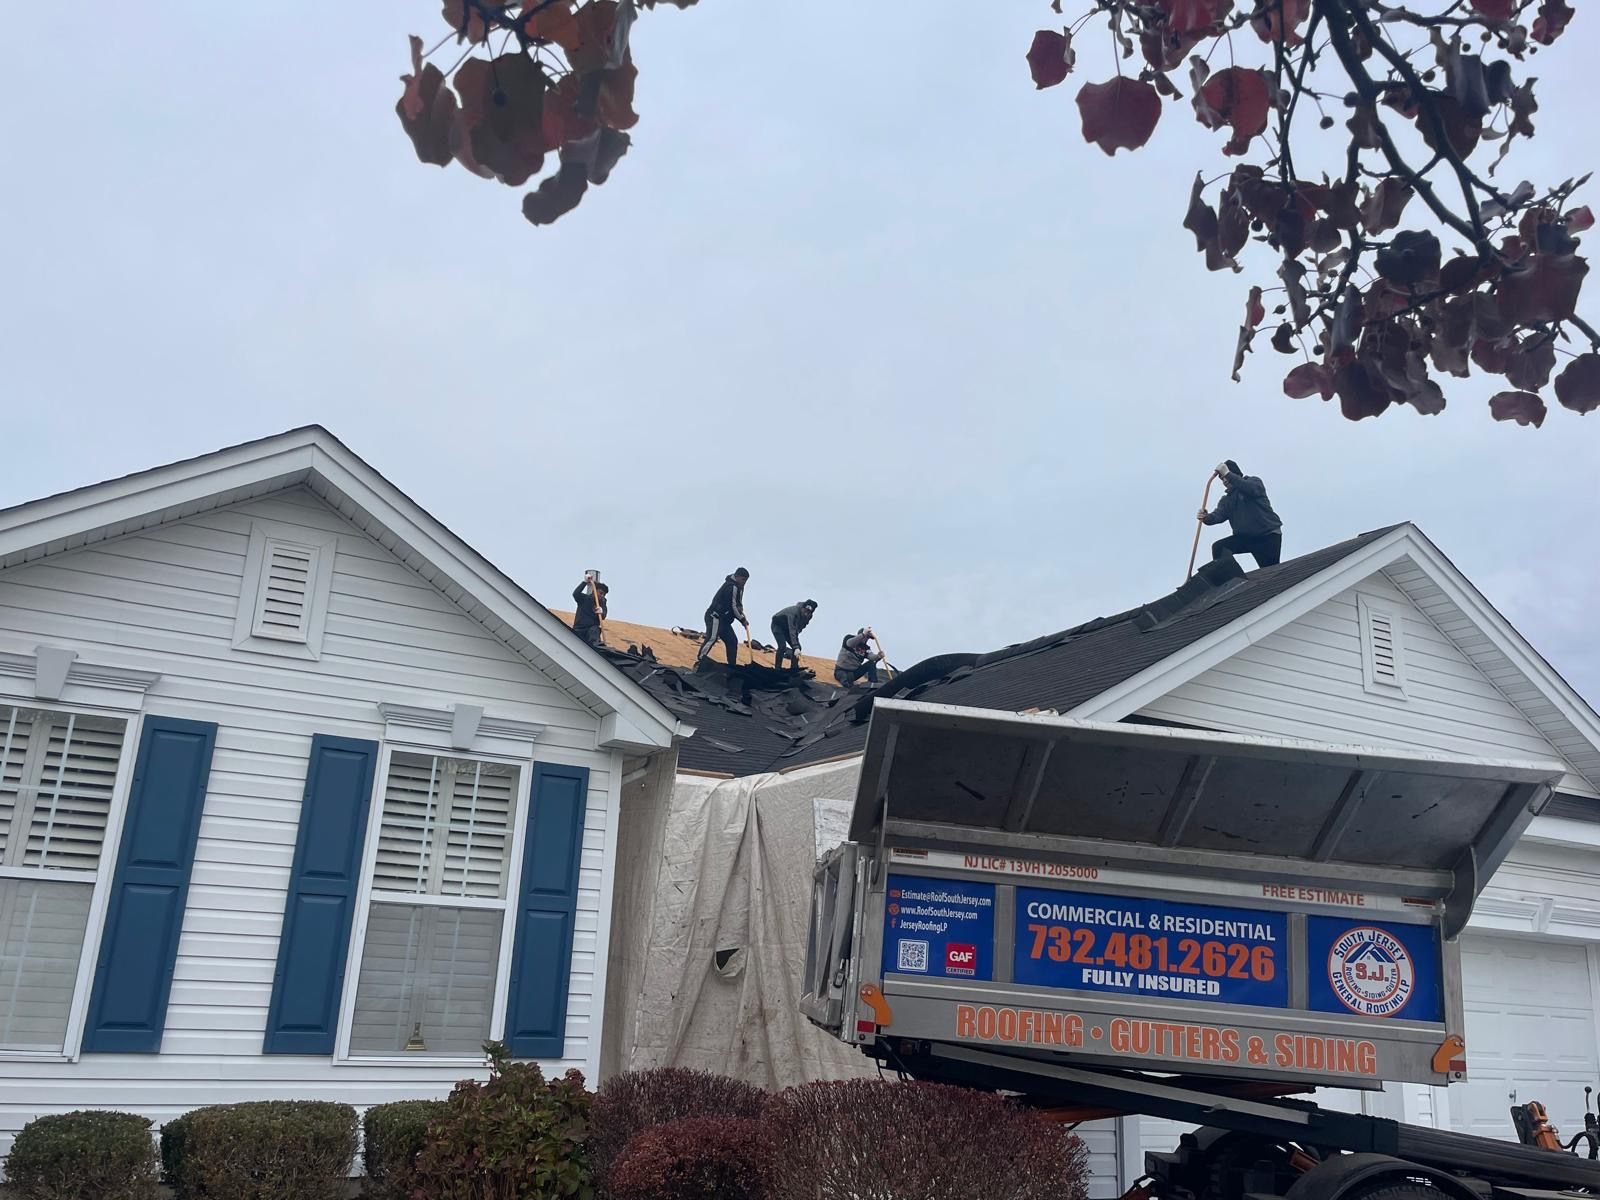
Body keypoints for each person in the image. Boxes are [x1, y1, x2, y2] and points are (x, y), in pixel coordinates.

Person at [1199, 460, 1283, 568]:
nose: (1224, 480)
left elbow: (1250, 489)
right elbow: (1217, 516)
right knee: (1219, 548)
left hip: (1268, 536)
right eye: (1222, 478)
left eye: (1225, 476)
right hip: (1246, 538)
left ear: (1235, 473)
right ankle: (1227, 579)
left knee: (1271, 571)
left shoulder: (1254, 482)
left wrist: (1228, 474)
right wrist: (1206, 517)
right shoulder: (1227, 500)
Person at [696, 568, 750, 667]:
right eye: (743, 580)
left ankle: (732, 667)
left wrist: (741, 610)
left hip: (724, 621)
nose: (744, 583)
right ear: (737, 577)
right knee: (712, 637)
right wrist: (742, 620)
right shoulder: (731, 587)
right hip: (715, 616)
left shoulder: (740, 587)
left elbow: (738, 604)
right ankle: (700, 660)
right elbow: (733, 606)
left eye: (746, 581)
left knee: (732, 641)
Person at [771, 599, 818, 671]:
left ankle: (794, 668)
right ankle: (777, 668)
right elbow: (792, 629)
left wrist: (796, 645)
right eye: (805, 611)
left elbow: (800, 627)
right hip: (778, 625)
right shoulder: (794, 612)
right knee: (782, 646)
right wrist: (795, 645)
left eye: (808, 613)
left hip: (788, 629)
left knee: (798, 648)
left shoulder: (809, 616)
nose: (806, 614)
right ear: (802, 608)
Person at [572, 573, 608, 648]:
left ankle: (596, 647)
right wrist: (584, 582)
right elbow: (576, 594)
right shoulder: (584, 599)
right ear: (594, 591)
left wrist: (601, 611)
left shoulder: (602, 603)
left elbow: (603, 614)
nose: (602, 596)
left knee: (595, 629)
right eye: (601, 593)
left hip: (591, 631)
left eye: (604, 594)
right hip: (579, 629)